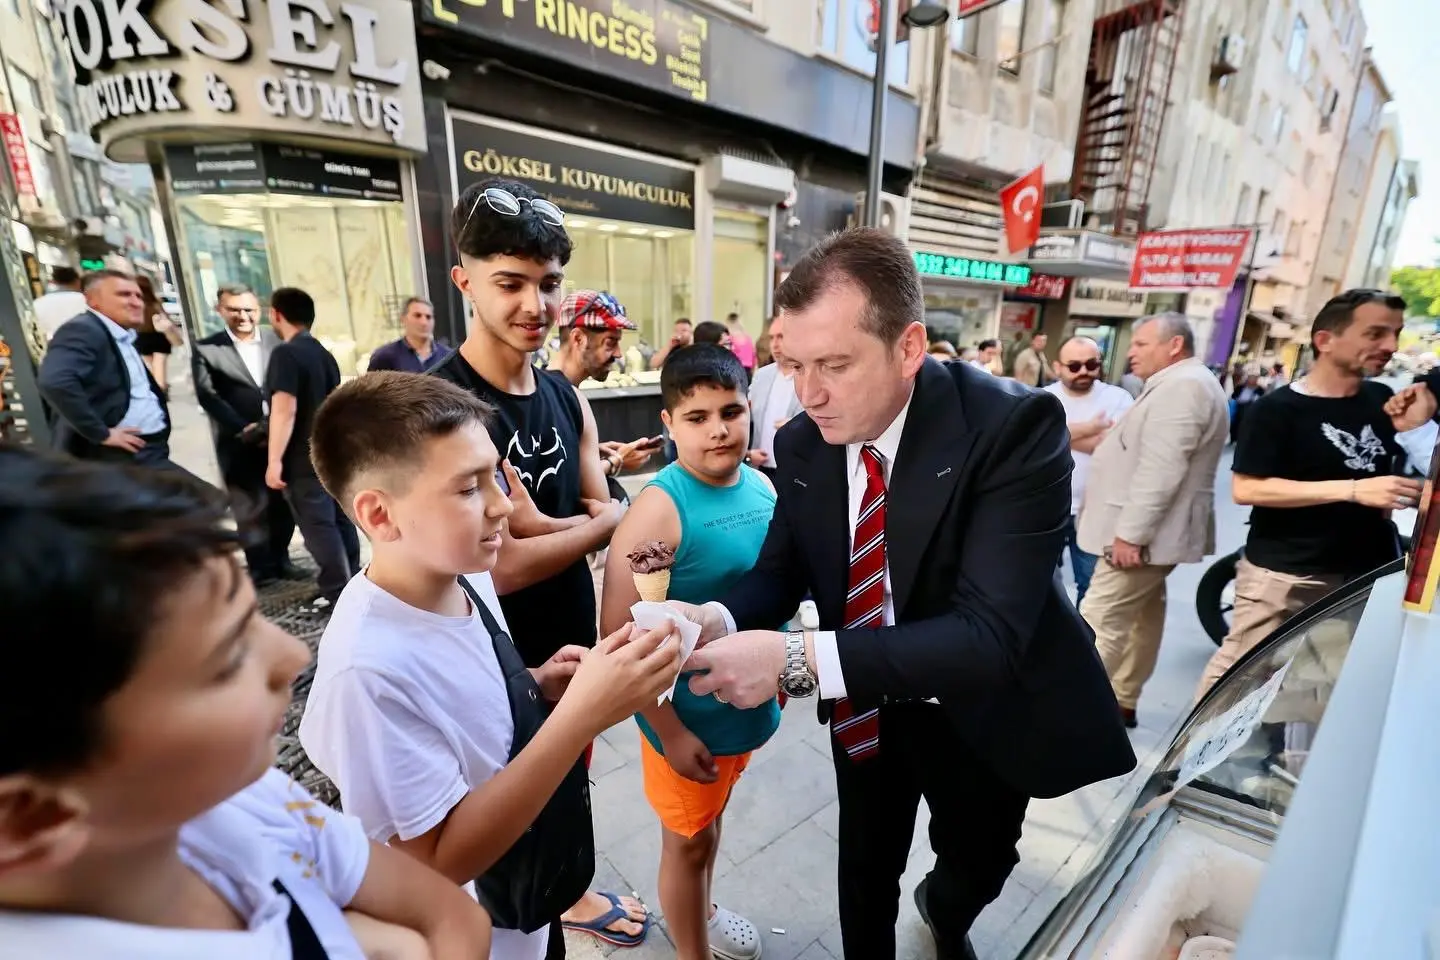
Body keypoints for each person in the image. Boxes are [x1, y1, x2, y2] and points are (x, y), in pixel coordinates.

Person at [666, 228, 1136, 960]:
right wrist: (715, 616)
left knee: (981, 858)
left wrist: (796, 660)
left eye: (834, 365)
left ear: (909, 348)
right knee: (864, 867)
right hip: (867, 704)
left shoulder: (1011, 427)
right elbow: (779, 573)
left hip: (980, 708)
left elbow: (988, 635)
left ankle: (945, 917)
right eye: (792, 364)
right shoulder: (800, 443)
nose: (806, 393)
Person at [0, 447, 494, 959]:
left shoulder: (239, 800)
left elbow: (455, 918)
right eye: (228, 659)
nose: (292, 654)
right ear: (30, 817)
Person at [298, 372, 682, 960]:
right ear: (379, 515)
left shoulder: (461, 570)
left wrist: (535, 681)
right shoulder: (367, 673)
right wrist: (579, 717)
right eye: (469, 488)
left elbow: (456, 707)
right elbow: (435, 861)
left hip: (529, 902)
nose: (503, 505)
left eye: (495, 475)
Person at [429, 176, 650, 950]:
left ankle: (569, 900)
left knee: (566, 793)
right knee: (502, 852)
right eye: (509, 283)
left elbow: (574, 527)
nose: (534, 304)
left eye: (548, 284)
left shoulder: (566, 397)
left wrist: (556, 526)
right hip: (488, 667)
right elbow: (499, 569)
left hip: (571, 648)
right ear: (465, 282)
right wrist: (600, 521)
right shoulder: (436, 406)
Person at [598, 345, 778, 960]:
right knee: (686, 842)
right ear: (668, 425)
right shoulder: (657, 511)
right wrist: (668, 730)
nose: (719, 429)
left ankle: (701, 908)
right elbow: (617, 642)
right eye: (697, 417)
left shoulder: (761, 486)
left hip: (744, 713)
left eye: (731, 411)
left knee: (709, 825)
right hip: (686, 724)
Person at [1197, 290, 1435, 699]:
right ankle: (1188, 763)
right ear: (1325, 340)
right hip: (1287, 574)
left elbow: (1393, 472)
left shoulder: (1382, 400)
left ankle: (1285, 759)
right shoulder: (1278, 409)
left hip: (1364, 574)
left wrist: (1410, 484)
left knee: (1322, 688)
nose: (1391, 346)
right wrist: (1355, 489)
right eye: (1375, 333)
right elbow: (1247, 487)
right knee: (1238, 679)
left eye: (1395, 333)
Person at [1076, 314, 1229, 728]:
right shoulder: (1180, 384)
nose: (1131, 351)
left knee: (1099, 621)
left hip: (1139, 535)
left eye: (1141, 344)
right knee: (1144, 616)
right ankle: (1122, 696)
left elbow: (1161, 469)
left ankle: (1069, 718)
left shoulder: (1184, 387)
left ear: (1174, 345)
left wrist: (1130, 534)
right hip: (1145, 534)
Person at [264, 286, 360, 613]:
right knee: (339, 520)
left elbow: (284, 409)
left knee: (318, 525)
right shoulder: (324, 353)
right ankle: (352, 583)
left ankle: (335, 591)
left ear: (276, 314)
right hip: (329, 450)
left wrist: (274, 460)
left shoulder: (285, 354)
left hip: (300, 457)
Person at [194, 283, 298, 586]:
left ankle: (282, 560)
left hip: (276, 437)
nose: (243, 316)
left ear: (260, 311)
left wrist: (269, 428)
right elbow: (208, 396)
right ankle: (260, 568)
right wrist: (245, 429)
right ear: (220, 310)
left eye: (249, 310)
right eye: (235, 310)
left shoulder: (276, 342)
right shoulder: (207, 349)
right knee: (248, 507)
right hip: (237, 441)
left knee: (282, 505)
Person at [37, 269, 180, 471]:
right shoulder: (84, 329)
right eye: (124, 295)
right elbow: (54, 381)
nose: (136, 302)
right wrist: (101, 433)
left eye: (138, 296)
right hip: (120, 455)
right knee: (209, 500)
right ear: (93, 300)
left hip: (144, 449)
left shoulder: (120, 334)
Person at [1044, 337, 1134, 604]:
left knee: (1091, 587)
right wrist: (1093, 428)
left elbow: (1114, 446)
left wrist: (1058, 434)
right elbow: (1034, 440)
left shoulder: (1119, 398)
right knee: (1041, 584)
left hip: (1098, 510)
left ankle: (1083, 643)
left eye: (1092, 364)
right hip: (1048, 509)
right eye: (1074, 366)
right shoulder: (1044, 399)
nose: (1084, 371)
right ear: (1057, 367)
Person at [546, 289, 660, 495]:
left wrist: (591, 452)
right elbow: (565, 481)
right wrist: (617, 460)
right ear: (578, 339)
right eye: (610, 343)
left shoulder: (562, 394)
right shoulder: (555, 398)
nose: (618, 353)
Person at [747, 311, 802, 482]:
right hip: (761, 468)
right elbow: (745, 417)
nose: (775, 345)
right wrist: (747, 454)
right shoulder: (761, 376)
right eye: (771, 338)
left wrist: (796, 426)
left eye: (781, 337)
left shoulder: (809, 376)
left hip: (795, 470)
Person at [367, 296, 452, 372]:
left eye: (428, 317)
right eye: (417, 315)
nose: (424, 322)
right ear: (403, 319)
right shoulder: (384, 357)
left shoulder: (448, 357)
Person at [133, 275, 177, 391]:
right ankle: (161, 389)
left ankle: (158, 390)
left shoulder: (134, 303)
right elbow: (166, 318)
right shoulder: (156, 301)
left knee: (152, 368)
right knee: (159, 366)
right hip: (159, 337)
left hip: (142, 338)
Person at [31, 265, 86, 342]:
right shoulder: (85, 300)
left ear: (53, 282)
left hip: (51, 349)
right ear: (78, 281)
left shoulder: (37, 303)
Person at [1230, 371, 1266, 444]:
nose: (1252, 380)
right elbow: (1233, 396)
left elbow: (1262, 399)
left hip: (1251, 408)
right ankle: (1234, 438)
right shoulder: (1241, 387)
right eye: (1250, 378)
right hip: (1239, 407)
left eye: (1254, 378)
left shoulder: (1260, 389)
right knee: (1236, 421)